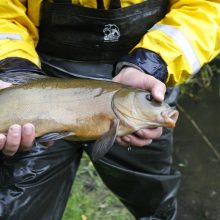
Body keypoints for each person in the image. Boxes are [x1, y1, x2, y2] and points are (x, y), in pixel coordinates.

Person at [0, 0, 219, 219]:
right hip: (40, 73)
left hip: (144, 77)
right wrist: (12, 67)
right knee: (18, 206)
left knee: (155, 198)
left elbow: (207, 7)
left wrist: (152, 62)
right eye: (151, 102)